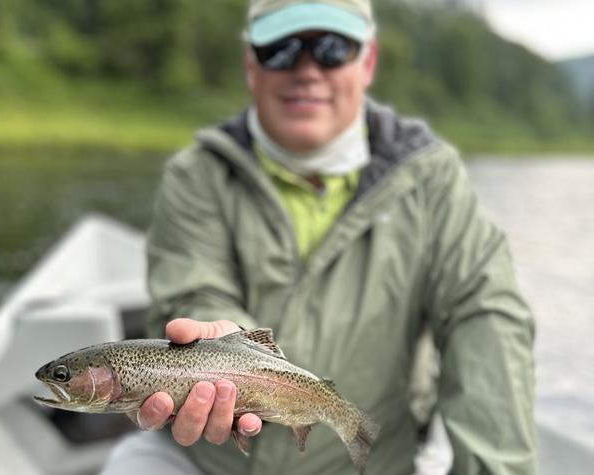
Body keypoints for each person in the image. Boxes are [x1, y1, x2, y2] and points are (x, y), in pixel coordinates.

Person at [101, 0, 537, 474]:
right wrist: (219, 342)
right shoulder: (197, 176)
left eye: (333, 49)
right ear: (252, 65)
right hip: (209, 463)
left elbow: (487, 316)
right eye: (282, 50)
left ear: (367, 62)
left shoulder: (432, 182)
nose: (307, 70)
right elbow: (193, 290)